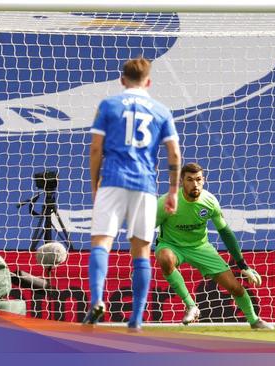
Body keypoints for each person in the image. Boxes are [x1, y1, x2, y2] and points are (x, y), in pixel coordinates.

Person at [84, 57, 181, 331]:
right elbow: (174, 152)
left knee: (101, 242)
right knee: (141, 251)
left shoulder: (109, 105)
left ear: (122, 79)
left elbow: (95, 149)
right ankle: (136, 319)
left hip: (112, 180)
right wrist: (172, 191)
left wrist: (95, 185)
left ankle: (97, 300)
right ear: (148, 82)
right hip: (145, 185)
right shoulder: (161, 111)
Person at [155, 162, 273, 329]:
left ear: (203, 180)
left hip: (200, 247)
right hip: (172, 245)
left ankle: (255, 321)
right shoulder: (167, 202)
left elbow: (225, 233)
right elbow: (146, 230)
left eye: (198, 179)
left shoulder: (209, 201)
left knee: (235, 287)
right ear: (181, 181)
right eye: (189, 180)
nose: (195, 184)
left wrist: (243, 265)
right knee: (165, 258)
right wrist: (140, 262)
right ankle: (191, 306)